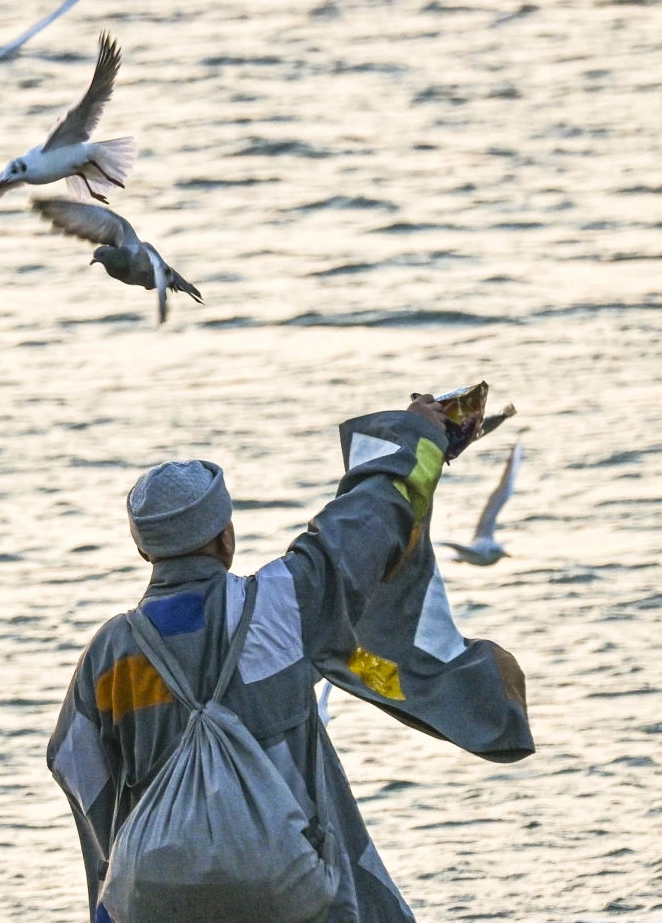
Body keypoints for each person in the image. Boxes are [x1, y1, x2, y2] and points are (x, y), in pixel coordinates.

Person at [47, 395, 534, 923]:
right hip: (288, 880)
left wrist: (118, 876)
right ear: (226, 538)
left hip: (154, 894)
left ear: (146, 551)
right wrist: (413, 437)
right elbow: (365, 525)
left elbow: (77, 769)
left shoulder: (108, 653)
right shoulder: (277, 608)